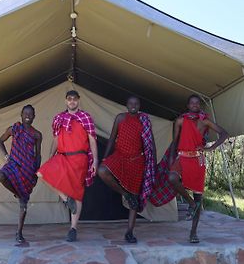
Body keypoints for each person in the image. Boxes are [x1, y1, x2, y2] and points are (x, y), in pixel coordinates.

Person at [37, 90, 98, 242]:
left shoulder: (86, 117)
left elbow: (92, 139)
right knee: (41, 174)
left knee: (77, 193)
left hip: (80, 159)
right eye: (69, 99)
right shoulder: (59, 118)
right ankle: (66, 199)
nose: (72, 101)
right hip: (62, 157)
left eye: (75, 99)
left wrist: (95, 160)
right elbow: (56, 139)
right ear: (65, 101)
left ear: (78, 100)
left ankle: (73, 228)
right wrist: (50, 156)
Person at [168, 94, 228, 243]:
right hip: (182, 156)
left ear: (199, 106)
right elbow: (175, 141)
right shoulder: (180, 121)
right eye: (192, 103)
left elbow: (224, 133)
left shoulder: (204, 121)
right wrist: (170, 158)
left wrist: (211, 148)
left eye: (197, 103)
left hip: (197, 159)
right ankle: (191, 204)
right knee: (172, 178)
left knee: (198, 195)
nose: (195, 105)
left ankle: (193, 233)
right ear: (188, 106)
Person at [98, 96, 157, 243]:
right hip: (120, 156)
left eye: (136, 104)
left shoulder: (144, 121)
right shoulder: (120, 118)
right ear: (126, 105)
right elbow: (112, 139)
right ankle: (125, 194)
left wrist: (153, 164)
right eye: (131, 103)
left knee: (135, 196)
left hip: (137, 161)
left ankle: (130, 231)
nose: (133, 106)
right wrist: (105, 158)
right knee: (102, 171)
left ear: (139, 105)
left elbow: (151, 144)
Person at [0, 105, 42, 243]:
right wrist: (6, 156)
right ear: (21, 115)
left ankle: (19, 233)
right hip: (13, 164)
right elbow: (0, 141)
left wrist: (36, 171)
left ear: (34, 116)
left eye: (31, 114)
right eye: (25, 113)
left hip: (28, 169)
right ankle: (16, 192)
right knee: (1, 175)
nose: (28, 115)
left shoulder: (37, 134)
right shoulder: (14, 129)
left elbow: (38, 155)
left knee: (23, 202)